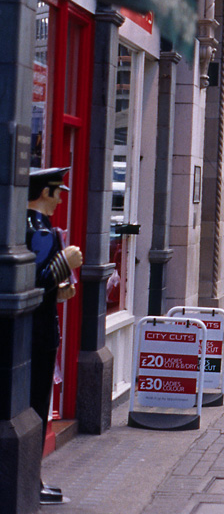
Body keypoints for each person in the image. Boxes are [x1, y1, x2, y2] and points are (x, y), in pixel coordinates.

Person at [26, 167, 83, 506]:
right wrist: (65, 263)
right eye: (57, 191)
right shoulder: (39, 231)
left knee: (36, 404)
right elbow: (35, 281)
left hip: (41, 328)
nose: (61, 197)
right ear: (45, 193)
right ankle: (30, 478)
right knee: (34, 405)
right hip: (38, 330)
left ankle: (34, 477)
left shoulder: (42, 228)